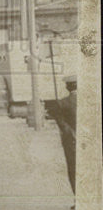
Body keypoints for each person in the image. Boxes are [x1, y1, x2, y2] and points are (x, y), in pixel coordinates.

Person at [46, 74, 77, 202]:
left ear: (67, 87)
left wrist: (71, 133)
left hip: (70, 141)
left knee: (73, 169)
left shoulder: (62, 103)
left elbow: (61, 122)